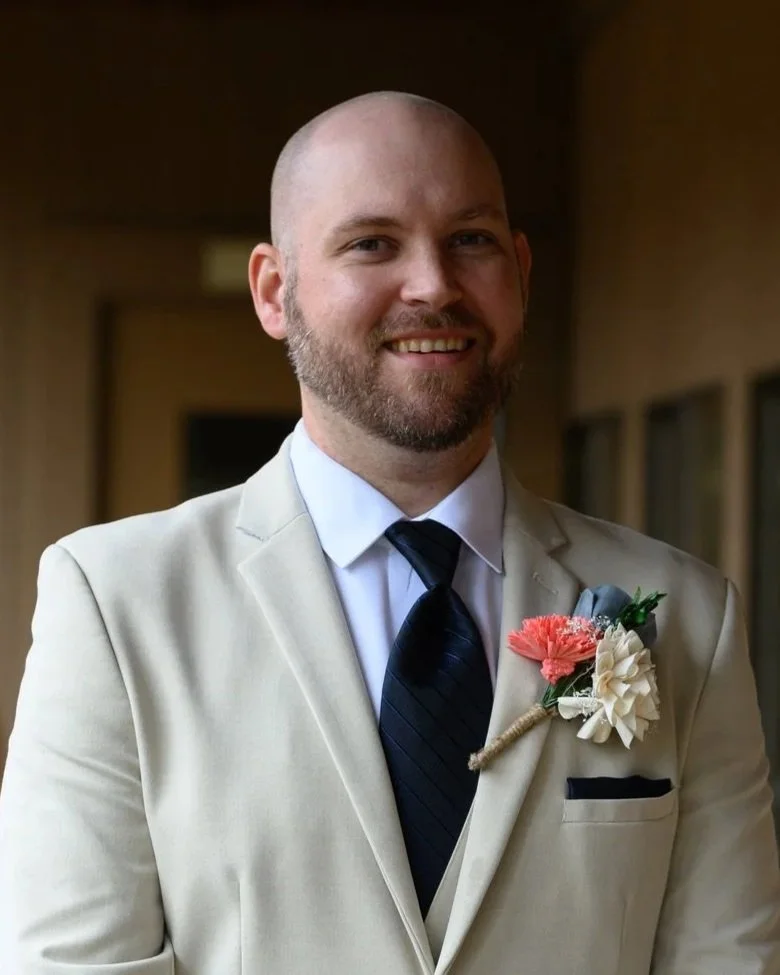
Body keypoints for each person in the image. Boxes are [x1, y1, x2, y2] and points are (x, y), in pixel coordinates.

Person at [1, 91, 779, 975]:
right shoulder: (115, 604)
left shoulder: (689, 618)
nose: (434, 284)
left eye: (471, 239)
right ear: (275, 291)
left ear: (520, 273)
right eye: (372, 243)